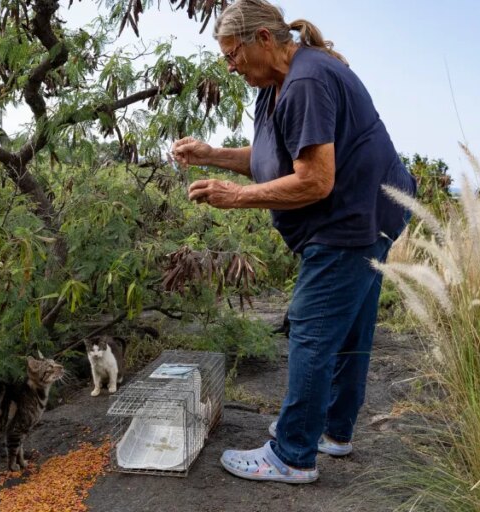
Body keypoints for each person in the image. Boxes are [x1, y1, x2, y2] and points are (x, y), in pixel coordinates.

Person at [170, 0, 416, 484]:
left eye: (233, 54)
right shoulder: (276, 84)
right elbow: (271, 157)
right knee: (350, 329)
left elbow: (316, 180)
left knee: (312, 325)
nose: (230, 66)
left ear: (264, 39)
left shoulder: (306, 81)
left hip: (352, 219)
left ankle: (292, 454)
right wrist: (212, 154)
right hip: (374, 212)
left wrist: (236, 198)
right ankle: (332, 431)